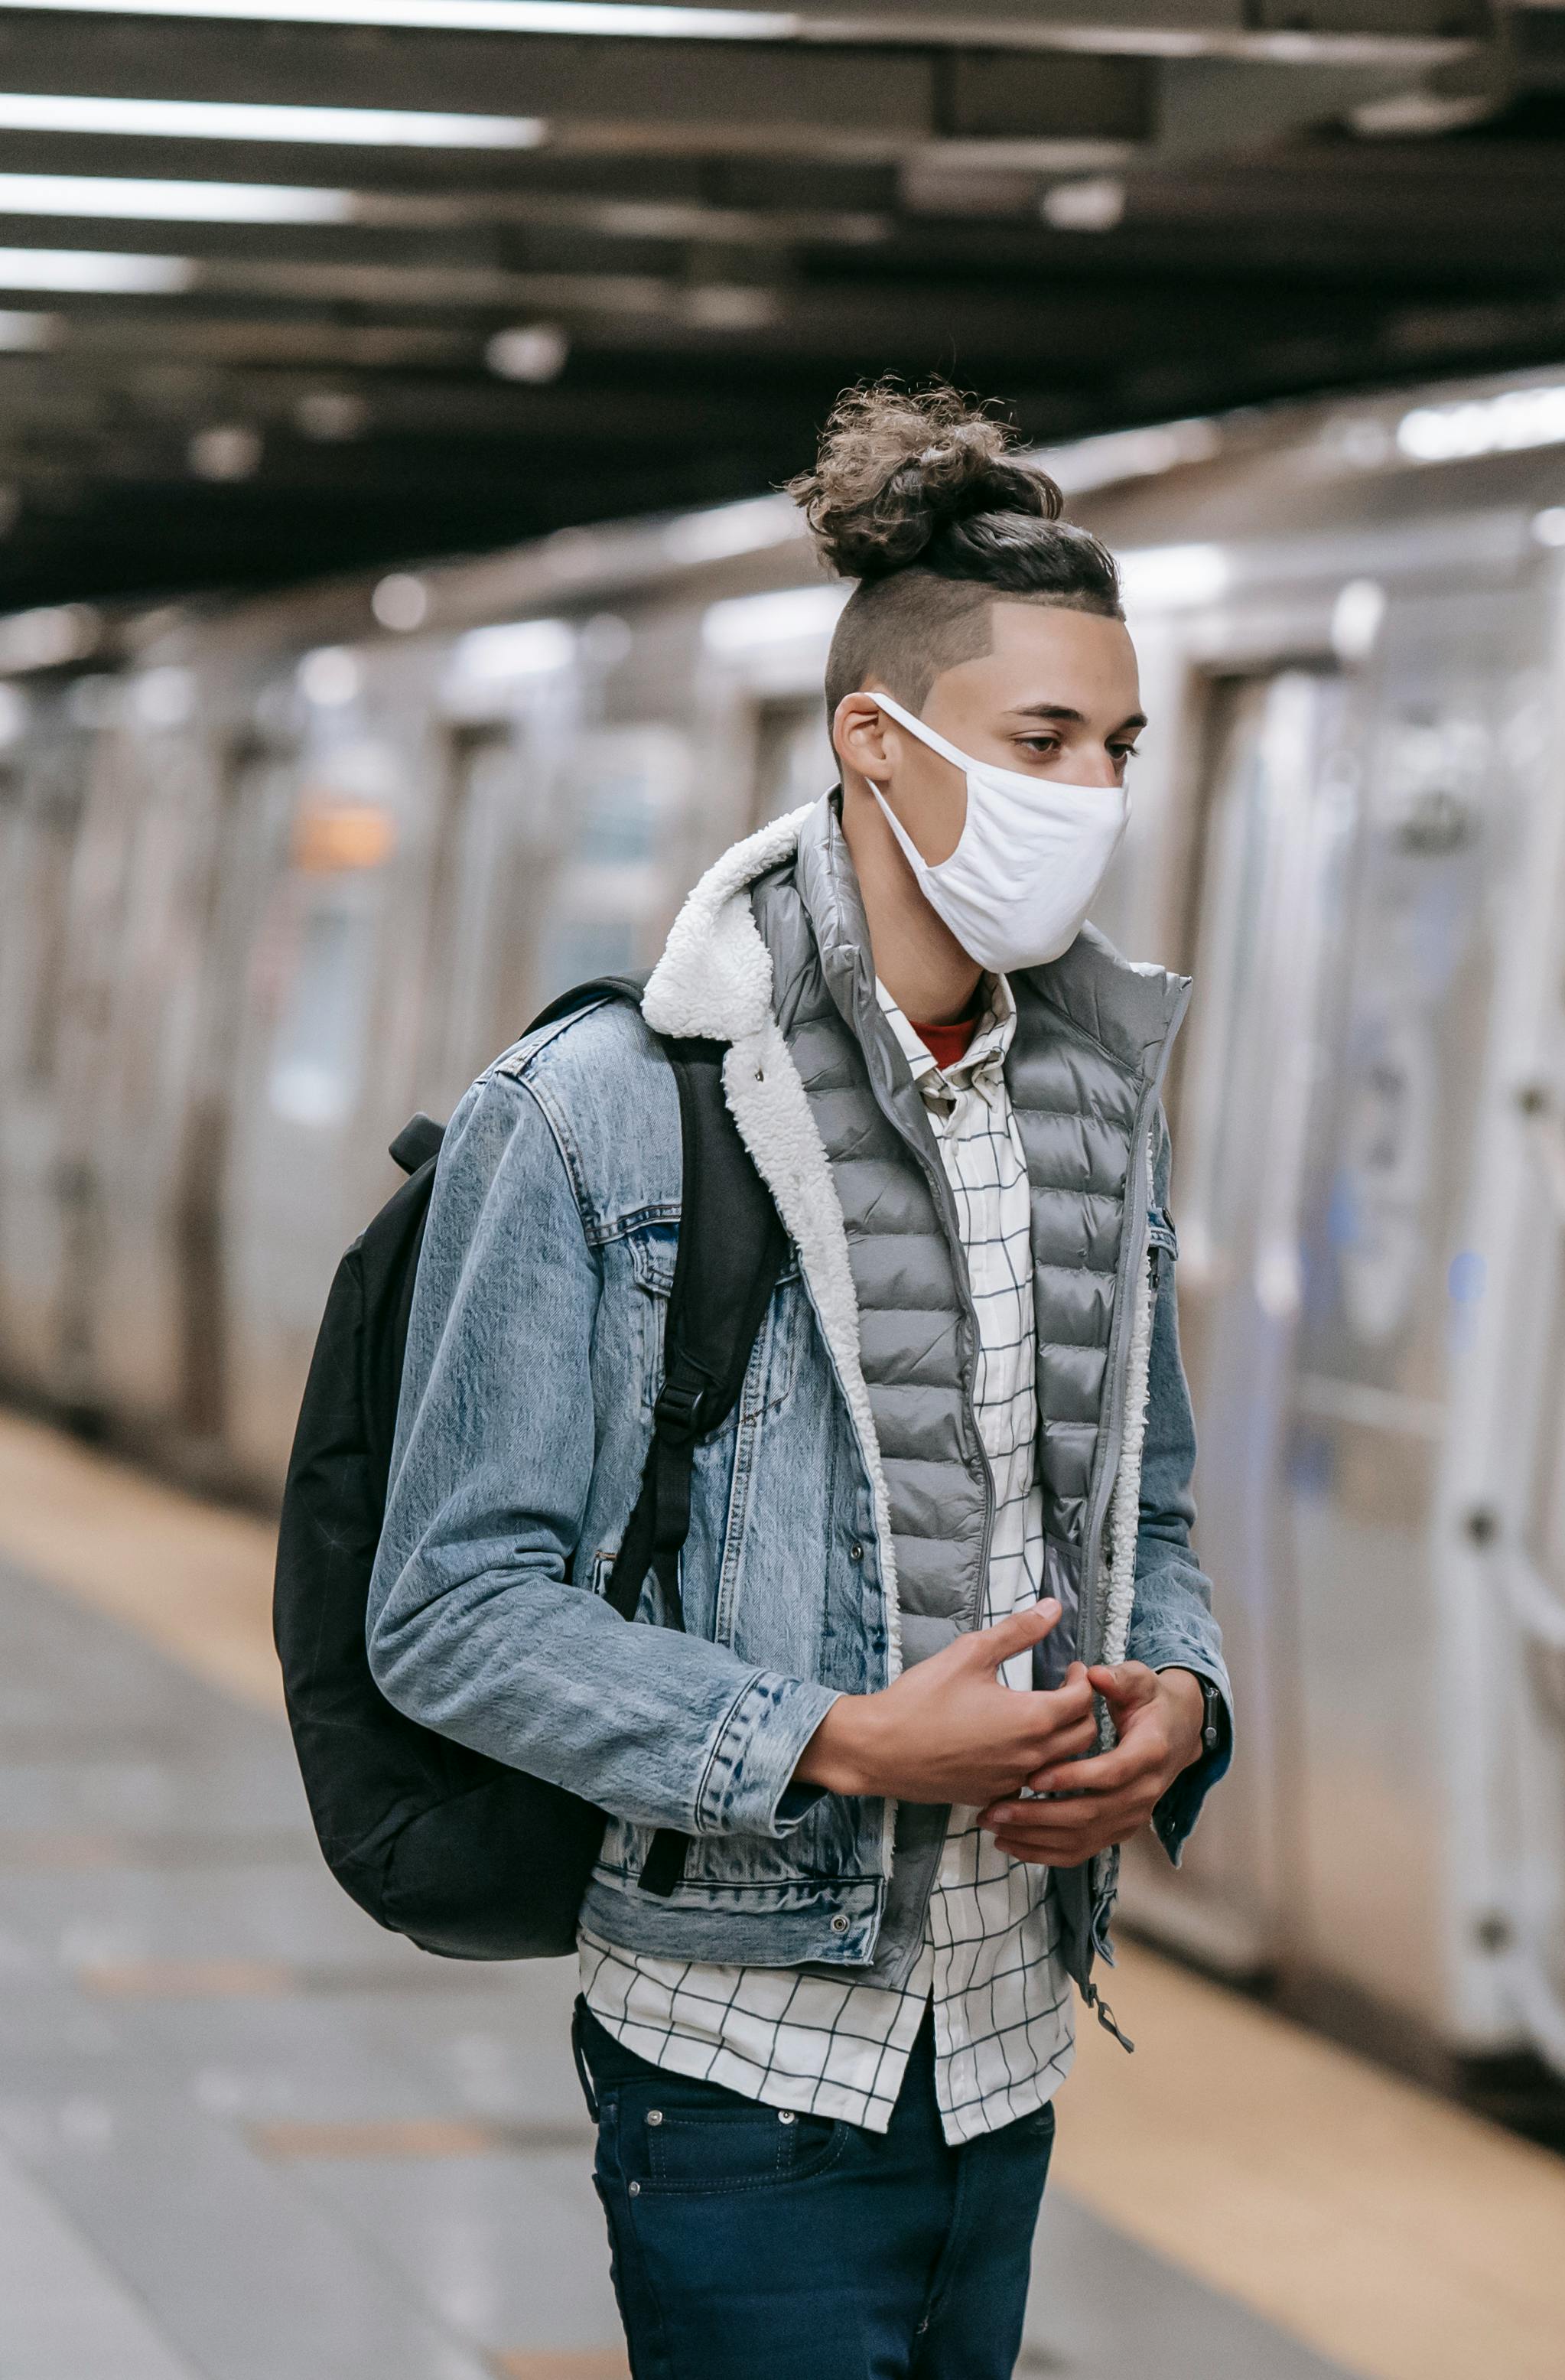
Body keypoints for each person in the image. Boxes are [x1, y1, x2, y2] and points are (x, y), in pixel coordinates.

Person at [367, 381, 1233, 2380]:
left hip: (1010, 2040)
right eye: (1043, 744)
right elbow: (450, 1609)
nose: (1092, 792)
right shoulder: (598, 1113)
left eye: (1117, 749)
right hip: (742, 2059)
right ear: (878, 740)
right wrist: (833, 1740)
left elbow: (1147, 1507)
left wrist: (1177, 1697)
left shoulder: (1095, 1106)